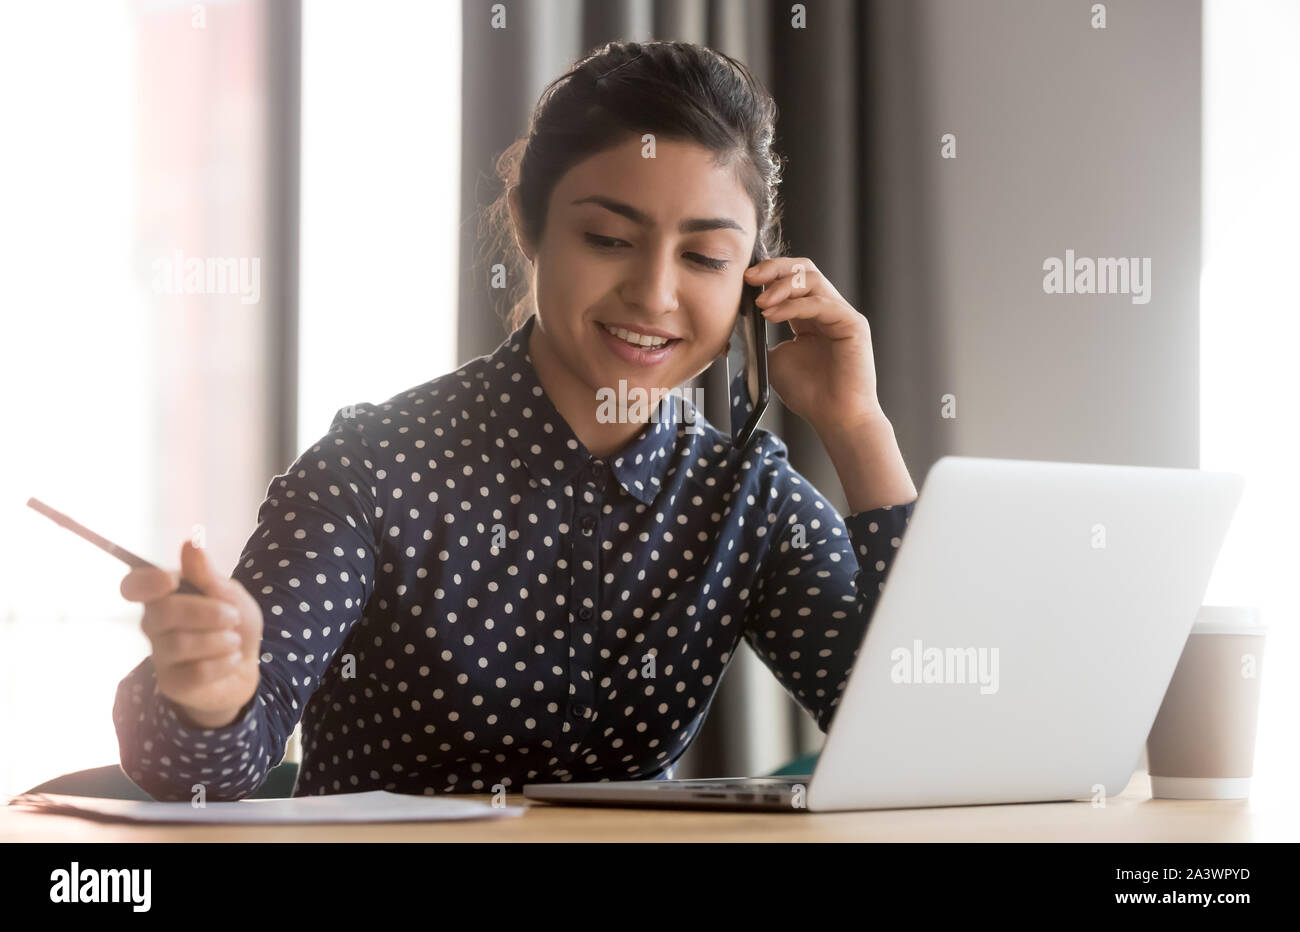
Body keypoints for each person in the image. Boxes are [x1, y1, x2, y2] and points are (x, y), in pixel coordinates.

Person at [114, 40, 918, 801]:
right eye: (608, 238)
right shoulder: (370, 468)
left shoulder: (747, 498)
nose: (654, 295)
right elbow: (207, 772)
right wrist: (211, 697)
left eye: (704, 258)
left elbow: (915, 736)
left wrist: (857, 426)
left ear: (754, 280)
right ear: (530, 227)